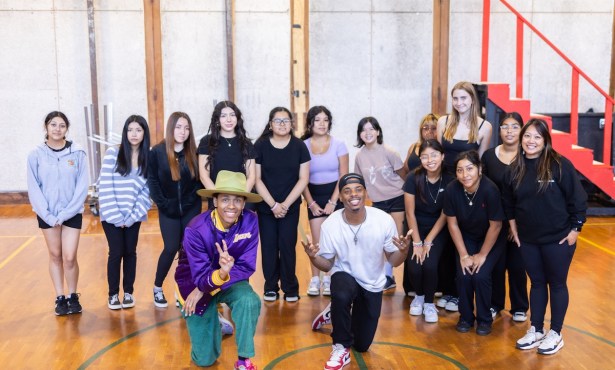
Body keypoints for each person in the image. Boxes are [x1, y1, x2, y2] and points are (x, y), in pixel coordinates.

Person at [304, 173, 411, 370]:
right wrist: (313, 257)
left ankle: (334, 311)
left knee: (361, 345)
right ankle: (340, 347)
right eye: (347, 191)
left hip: (372, 283)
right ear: (341, 197)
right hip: (345, 277)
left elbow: (394, 261)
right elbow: (327, 265)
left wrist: (403, 252)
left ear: (365, 193)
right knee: (341, 292)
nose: (353, 194)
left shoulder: (383, 220)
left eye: (358, 189)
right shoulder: (331, 224)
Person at [503, 118, 587, 355]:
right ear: (521, 139)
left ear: (545, 140)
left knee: (557, 284)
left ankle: (556, 333)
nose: (531, 141)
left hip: (558, 238)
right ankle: (536, 329)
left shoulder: (559, 164)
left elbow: (578, 200)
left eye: (537, 137)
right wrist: (514, 228)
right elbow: (508, 202)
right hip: (528, 240)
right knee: (537, 283)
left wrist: (575, 230)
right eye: (527, 136)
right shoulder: (515, 168)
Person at [175, 171, 262, 370]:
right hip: (194, 284)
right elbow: (199, 277)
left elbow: (246, 266)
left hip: (230, 280)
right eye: (225, 199)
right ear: (215, 201)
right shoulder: (195, 230)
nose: (231, 206)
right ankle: (216, 322)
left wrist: (223, 276)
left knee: (249, 300)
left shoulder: (250, 221)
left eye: (238, 200)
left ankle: (243, 360)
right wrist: (211, 281)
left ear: (243, 203)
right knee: (204, 360)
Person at [27, 111, 89, 315]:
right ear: (46, 127)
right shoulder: (36, 154)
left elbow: (82, 186)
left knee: (69, 257)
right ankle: (60, 297)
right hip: (47, 214)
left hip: (71, 213)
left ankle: (73, 295)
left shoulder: (78, 153)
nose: (57, 129)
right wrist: (48, 215)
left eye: (62, 125)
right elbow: (34, 187)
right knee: (55, 255)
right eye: (53, 125)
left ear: (66, 129)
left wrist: (65, 213)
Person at [443, 150, 505, 336]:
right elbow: (452, 224)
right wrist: (463, 255)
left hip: (491, 237)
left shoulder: (490, 189)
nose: (465, 174)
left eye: (469, 169)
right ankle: (466, 317)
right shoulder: (452, 189)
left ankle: (484, 319)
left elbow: (496, 226)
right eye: (460, 170)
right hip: (467, 236)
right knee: (463, 274)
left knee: (480, 275)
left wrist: (482, 255)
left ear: (479, 169)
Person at [254, 107, 310, 302]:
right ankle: (270, 287)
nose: (282, 124)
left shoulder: (299, 146)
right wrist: (273, 205)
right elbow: (257, 179)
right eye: (277, 121)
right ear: (270, 124)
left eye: (286, 120)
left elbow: (303, 179)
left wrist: (284, 204)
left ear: (292, 124)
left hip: (290, 207)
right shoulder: (260, 146)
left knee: (287, 246)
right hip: (266, 207)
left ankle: (290, 287)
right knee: (269, 246)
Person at [148, 112, 202, 307]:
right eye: (179, 127)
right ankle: (157, 287)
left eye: (187, 128)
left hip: (190, 208)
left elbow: (199, 182)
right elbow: (152, 181)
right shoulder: (157, 152)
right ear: (171, 128)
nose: (183, 132)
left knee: (187, 250)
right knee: (171, 248)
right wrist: (164, 204)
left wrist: (189, 201)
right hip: (168, 210)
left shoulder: (193, 152)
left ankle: (183, 291)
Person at [98, 115, 152, 310]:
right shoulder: (113, 153)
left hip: (133, 216)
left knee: (130, 252)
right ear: (125, 132)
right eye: (130, 130)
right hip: (111, 215)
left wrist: (130, 218)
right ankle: (113, 294)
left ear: (144, 132)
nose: (134, 134)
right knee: (116, 252)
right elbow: (104, 186)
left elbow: (147, 192)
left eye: (138, 130)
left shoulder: (148, 158)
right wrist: (117, 217)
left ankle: (128, 292)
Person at [481, 112, 529, 321]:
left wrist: (515, 224)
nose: (509, 131)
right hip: (494, 221)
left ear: (522, 130)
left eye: (515, 126)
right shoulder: (489, 156)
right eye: (505, 126)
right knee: (496, 266)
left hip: (520, 222)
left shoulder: (529, 156)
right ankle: (494, 304)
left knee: (517, 266)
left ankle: (519, 306)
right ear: (499, 131)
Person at [402, 140, 454, 323]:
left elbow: (445, 213)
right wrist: (417, 242)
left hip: (438, 228)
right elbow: (410, 212)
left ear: (442, 156)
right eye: (424, 156)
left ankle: (430, 303)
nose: (429, 160)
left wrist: (429, 240)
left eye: (434, 155)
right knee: (416, 265)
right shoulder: (412, 178)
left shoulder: (450, 179)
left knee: (430, 264)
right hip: (415, 226)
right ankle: (419, 296)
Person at [301, 105, 349, 296]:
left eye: (325, 120)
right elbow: (301, 178)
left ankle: (329, 277)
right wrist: (311, 203)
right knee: (317, 239)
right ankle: (315, 279)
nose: (322, 124)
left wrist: (333, 201)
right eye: (317, 120)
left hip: (335, 194)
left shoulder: (339, 144)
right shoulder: (302, 145)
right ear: (310, 123)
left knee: (333, 238)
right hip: (313, 195)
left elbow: (343, 175)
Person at [353, 117, 405, 290]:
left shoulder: (389, 152)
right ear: (360, 134)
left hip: (397, 197)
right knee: (380, 239)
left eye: (371, 129)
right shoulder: (360, 156)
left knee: (395, 238)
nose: (368, 133)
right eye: (363, 130)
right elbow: (359, 181)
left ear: (378, 132)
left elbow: (404, 175)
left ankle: (389, 275)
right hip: (378, 202)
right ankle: (387, 276)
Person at [198, 101, 255, 209]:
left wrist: (241, 199)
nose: (229, 119)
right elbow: (204, 176)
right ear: (217, 120)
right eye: (223, 116)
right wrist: (218, 200)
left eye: (232, 115)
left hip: (243, 200)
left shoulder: (246, 143)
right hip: (217, 200)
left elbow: (251, 177)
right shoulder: (207, 142)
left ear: (237, 118)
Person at [437, 81, 492, 175]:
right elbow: (438, 155)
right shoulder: (442, 122)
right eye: (455, 98)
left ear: (473, 99)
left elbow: (479, 163)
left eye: (463, 98)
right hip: (443, 178)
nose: (459, 103)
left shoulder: (485, 127)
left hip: (467, 180)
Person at [400, 113, 440, 178]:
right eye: (426, 128)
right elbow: (405, 170)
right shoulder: (414, 147)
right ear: (421, 130)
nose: (429, 131)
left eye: (434, 128)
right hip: (413, 185)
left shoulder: (443, 149)